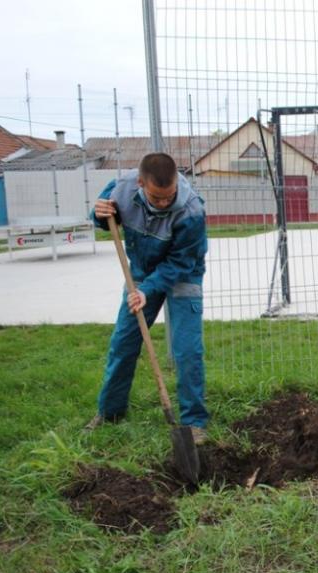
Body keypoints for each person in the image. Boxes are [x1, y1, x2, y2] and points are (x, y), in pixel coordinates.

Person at [86, 152, 210, 444]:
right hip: (140, 273)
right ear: (140, 184)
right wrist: (99, 214)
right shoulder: (120, 189)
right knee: (123, 342)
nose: (164, 203)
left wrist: (148, 290)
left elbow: (181, 262)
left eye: (169, 196)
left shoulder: (191, 210)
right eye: (156, 197)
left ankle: (194, 422)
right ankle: (110, 412)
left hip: (183, 274)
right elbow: (106, 218)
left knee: (187, 351)